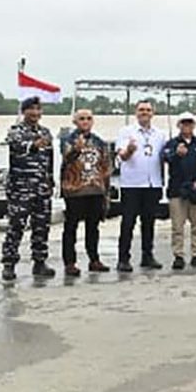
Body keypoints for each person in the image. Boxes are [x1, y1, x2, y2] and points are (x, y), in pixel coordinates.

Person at [2, 96, 56, 281]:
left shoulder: (45, 132)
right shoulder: (15, 131)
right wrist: (33, 145)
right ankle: (9, 264)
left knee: (42, 226)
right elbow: (17, 146)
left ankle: (39, 262)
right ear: (24, 111)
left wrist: (50, 180)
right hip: (21, 188)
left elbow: (49, 158)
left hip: (42, 187)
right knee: (16, 226)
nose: (35, 113)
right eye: (31, 109)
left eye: (38, 109)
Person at [115, 100, 168, 272]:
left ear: (153, 113)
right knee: (128, 222)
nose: (145, 112)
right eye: (141, 110)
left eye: (148, 110)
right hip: (131, 184)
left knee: (149, 222)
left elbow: (164, 156)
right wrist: (130, 150)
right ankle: (123, 258)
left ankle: (147, 255)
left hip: (153, 183)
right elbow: (122, 156)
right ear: (136, 112)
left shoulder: (160, 134)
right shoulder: (126, 131)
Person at [59, 109, 112, 276]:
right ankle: (70, 262)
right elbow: (66, 158)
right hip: (74, 189)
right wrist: (76, 149)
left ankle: (94, 259)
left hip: (95, 189)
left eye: (89, 118)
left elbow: (105, 166)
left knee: (93, 227)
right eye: (82, 119)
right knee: (71, 227)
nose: (85, 121)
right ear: (75, 122)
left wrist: (106, 191)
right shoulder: (68, 140)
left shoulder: (99, 142)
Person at [164, 113, 196, 269]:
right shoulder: (171, 144)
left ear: (194, 125)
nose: (187, 126)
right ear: (178, 125)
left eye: (189, 123)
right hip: (177, 190)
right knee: (177, 226)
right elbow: (166, 159)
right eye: (183, 123)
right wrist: (176, 154)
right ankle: (178, 255)